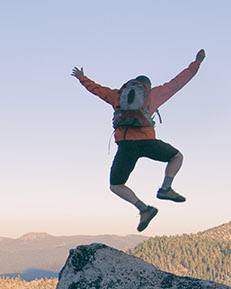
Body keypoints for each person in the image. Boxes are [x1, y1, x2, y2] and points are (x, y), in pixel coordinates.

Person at [72, 49, 205, 232]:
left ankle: (144, 209)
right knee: (177, 157)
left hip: (126, 146)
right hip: (147, 142)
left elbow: (97, 90)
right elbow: (178, 82)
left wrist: (82, 78)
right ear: (147, 87)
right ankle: (166, 188)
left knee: (116, 185)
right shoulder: (154, 94)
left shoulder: (117, 96)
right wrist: (196, 63)